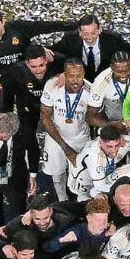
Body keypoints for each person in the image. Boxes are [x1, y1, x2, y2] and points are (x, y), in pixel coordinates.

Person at [0, 6, 76, 93]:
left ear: (3, 21)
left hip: (28, 66)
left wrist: (75, 25)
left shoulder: (18, 28)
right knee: (2, 97)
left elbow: (45, 26)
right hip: (6, 74)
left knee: (55, 58)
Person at [39, 59, 93, 202]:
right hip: (56, 136)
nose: (75, 80)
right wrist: (65, 147)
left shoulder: (91, 90)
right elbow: (45, 117)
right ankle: (63, 201)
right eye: (71, 76)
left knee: (82, 172)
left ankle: (83, 201)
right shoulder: (52, 86)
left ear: (84, 74)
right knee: (57, 171)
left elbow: (93, 118)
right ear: (64, 74)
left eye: (79, 75)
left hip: (80, 137)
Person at [50, 13, 130, 82]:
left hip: (107, 81)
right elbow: (54, 52)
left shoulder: (112, 39)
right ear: (79, 32)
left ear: (99, 30)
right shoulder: (70, 39)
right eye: (85, 33)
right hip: (80, 82)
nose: (89, 37)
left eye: (93, 33)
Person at [0, 44, 64, 133]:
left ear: (46, 60)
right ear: (27, 64)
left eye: (41, 65)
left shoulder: (58, 61)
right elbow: (5, 91)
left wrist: (67, 73)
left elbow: (76, 62)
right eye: (34, 67)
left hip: (54, 108)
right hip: (28, 108)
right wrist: (1, 111)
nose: (39, 70)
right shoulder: (16, 71)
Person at [69, 124, 130, 202]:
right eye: (109, 147)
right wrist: (126, 187)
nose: (114, 151)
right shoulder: (95, 157)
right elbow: (100, 187)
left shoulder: (106, 135)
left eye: (117, 145)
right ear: (101, 142)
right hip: (83, 186)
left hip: (101, 177)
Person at [86, 51, 130, 125]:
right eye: (119, 71)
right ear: (112, 67)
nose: (123, 75)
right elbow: (90, 117)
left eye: (127, 71)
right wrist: (112, 126)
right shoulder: (101, 82)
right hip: (114, 122)